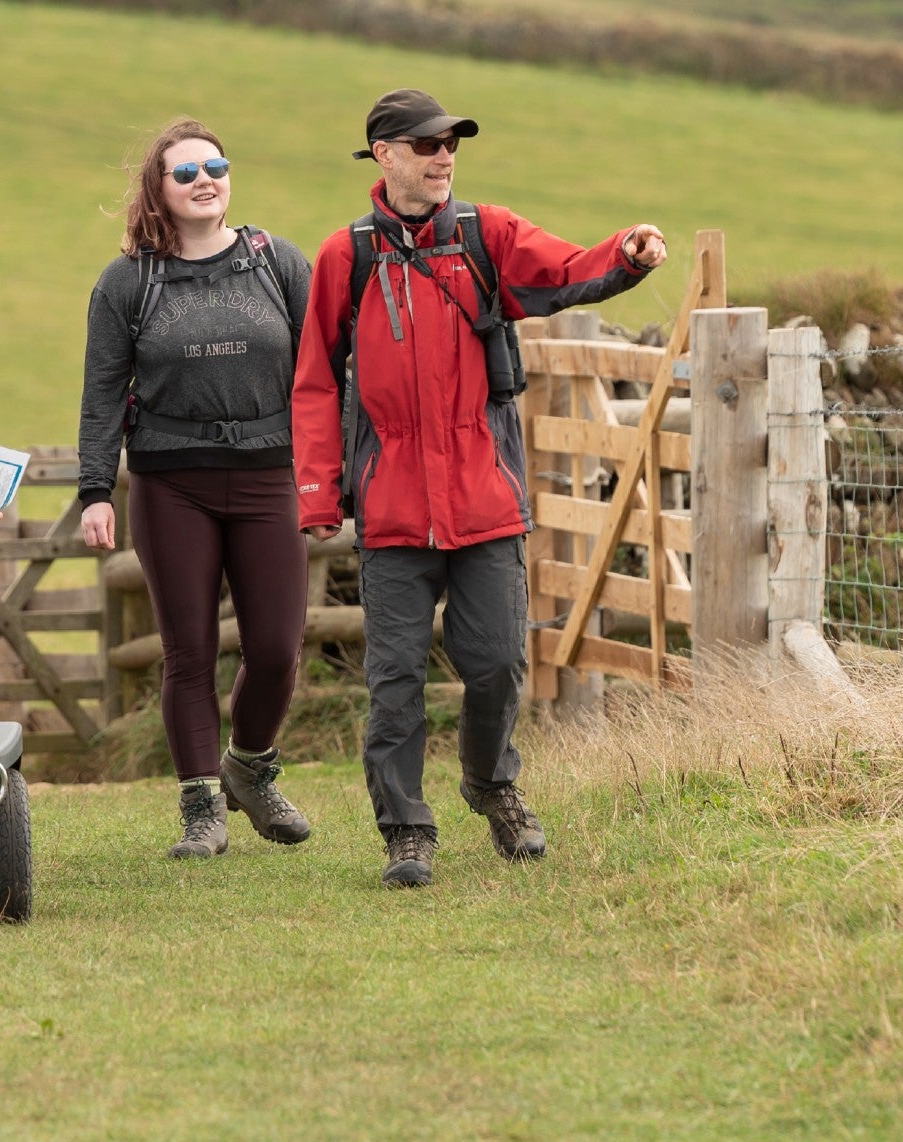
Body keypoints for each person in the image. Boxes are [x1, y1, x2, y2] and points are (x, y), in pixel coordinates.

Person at [290, 88, 666, 889]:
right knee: (394, 683)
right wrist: (319, 491)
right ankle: (406, 832)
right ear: (384, 155)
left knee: (495, 666)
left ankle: (492, 786)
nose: (443, 156)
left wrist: (625, 254)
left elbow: (566, 272)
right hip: (392, 511)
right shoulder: (345, 256)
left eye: (451, 143)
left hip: (485, 503)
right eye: (426, 145)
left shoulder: (487, 235)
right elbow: (316, 381)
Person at [77, 121, 316, 860]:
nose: (206, 179)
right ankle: (200, 809)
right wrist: (95, 490)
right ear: (159, 190)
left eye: (216, 165)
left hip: (269, 477)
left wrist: (328, 475)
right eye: (186, 173)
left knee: (277, 647)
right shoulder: (127, 283)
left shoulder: (278, 263)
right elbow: (102, 393)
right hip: (171, 483)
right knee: (189, 649)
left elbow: (321, 377)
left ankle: (249, 768)